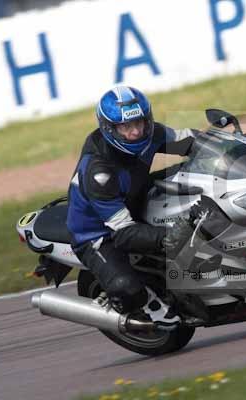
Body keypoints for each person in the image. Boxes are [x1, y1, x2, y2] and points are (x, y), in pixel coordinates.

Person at [66, 85, 198, 330]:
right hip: (99, 233)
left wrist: (228, 145)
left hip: (134, 198)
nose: (136, 132)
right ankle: (146, 304)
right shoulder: (99, 173)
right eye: (125, 127)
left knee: (192, 180)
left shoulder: (151, 133)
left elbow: (187, 140)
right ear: (110, 129)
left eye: (139, 122)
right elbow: (124, 233)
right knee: (126, 287)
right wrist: (171, 235)